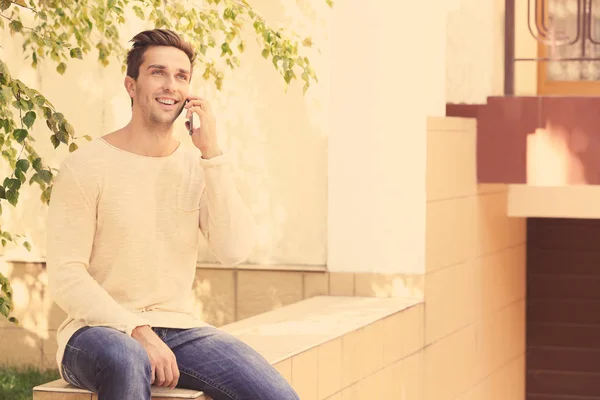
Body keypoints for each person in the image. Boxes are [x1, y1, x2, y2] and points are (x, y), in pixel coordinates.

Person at [46, 29, 299, 400]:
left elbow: (234, 249)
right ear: (131, 85)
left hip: (180, 330)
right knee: (127, 357)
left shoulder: (197, 166)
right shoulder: (86, 166)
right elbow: (66, 276)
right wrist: (136, 329)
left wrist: (212, 154)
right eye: (158, 72)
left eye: (181, 76)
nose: (171, 85)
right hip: (95, 332)